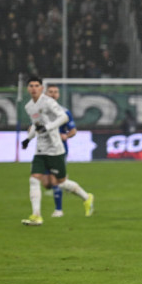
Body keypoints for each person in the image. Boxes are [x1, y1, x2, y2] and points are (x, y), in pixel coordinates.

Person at [20, 77, 94, 226]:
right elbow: (36, 124)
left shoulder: (48, 102)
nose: (34, 88)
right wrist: (28, 138)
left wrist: (48, 128)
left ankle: (86, 197)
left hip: (55, 149)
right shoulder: (29, 106)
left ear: (41, 88)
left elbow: (64, 117)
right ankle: (37, 216)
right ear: (28, 89)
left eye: (36, 85)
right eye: (31, 86)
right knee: (34, 179)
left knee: (60, 182)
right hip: (41, 149)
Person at [44, 85, 90, 218]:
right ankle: (86, 196)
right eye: (51, 92)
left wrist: (66, 136)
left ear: (58, 95)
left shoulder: (64, 112)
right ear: (46, 94)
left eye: (55, 92)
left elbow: (73, 130)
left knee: (56, 181)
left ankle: (59, 210)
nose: (53, 94)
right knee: (47, 182)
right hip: (45, 149)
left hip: (59, 149)